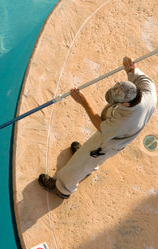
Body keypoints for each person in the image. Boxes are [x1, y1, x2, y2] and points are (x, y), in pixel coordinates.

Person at [39, 56, 157, 199]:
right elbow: (135, 74)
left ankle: (63, 188)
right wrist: (130, 69)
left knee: (84, 161)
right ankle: (88, 161)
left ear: (126, 104)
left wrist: (84, 102)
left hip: (109, 142)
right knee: (88, 157)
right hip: (116, 134)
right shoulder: (147, 88)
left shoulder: (125, 120)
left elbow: (100, 126)